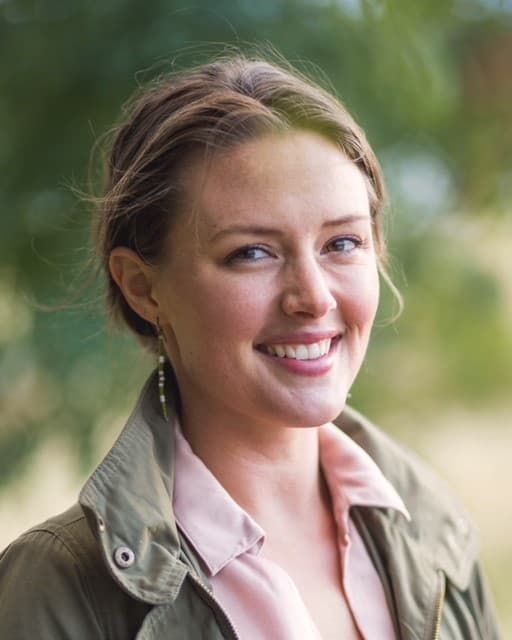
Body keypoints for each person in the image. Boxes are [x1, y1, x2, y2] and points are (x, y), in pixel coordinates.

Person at [0, 55, 500, 640]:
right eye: (252, 253)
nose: (313, 297)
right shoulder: (60, 589)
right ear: (143, 288)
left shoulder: (435, 534)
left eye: (342, 242)